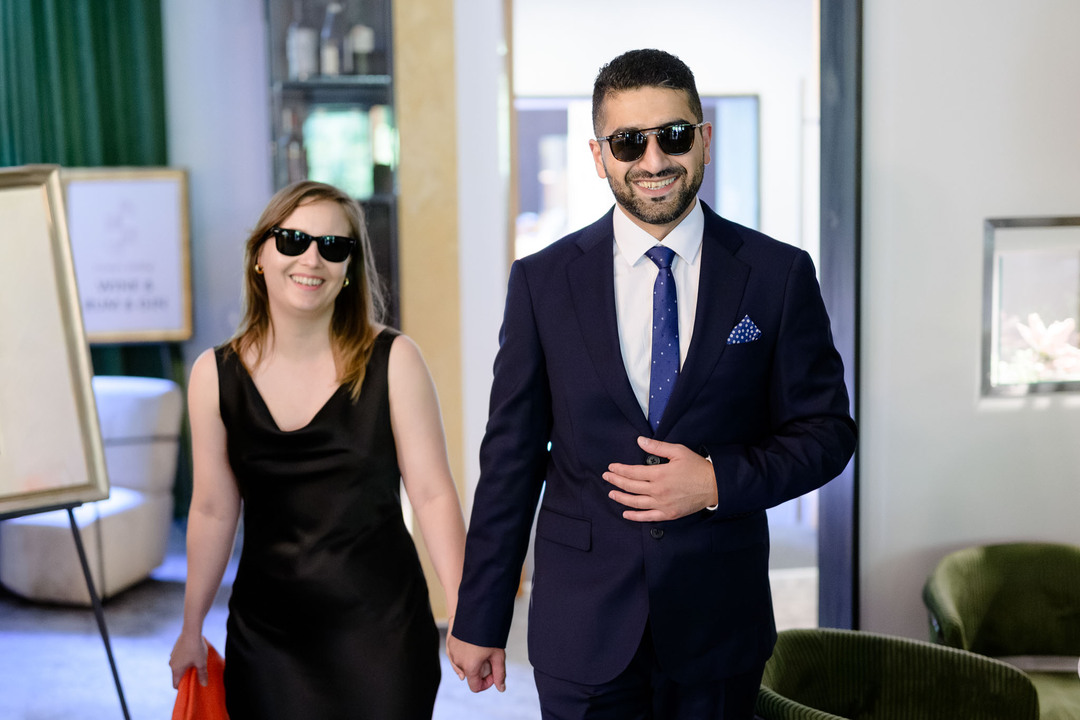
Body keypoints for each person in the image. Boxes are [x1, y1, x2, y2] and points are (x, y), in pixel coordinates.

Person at [447, 49, 857, 719]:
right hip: (582, 625)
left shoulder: (776, 274)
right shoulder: (542, 283)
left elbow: (827, 433)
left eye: (673, 135)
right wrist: (479, 613)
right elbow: (510, 461)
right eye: (628, 142)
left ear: (704, 139)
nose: (654, 159)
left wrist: (718, 481)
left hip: (718, 625)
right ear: (598, 154)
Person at [169, 181, 466, 719]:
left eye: (334, 246)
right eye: (293, 240)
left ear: (349, 266)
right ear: (260, 254)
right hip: (268, 638)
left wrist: (470, 612)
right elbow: (213, 508)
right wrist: (191, 627)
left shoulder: (395, 360)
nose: (312, 258)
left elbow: (432, 494)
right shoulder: (213, 376)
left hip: (382, 634)